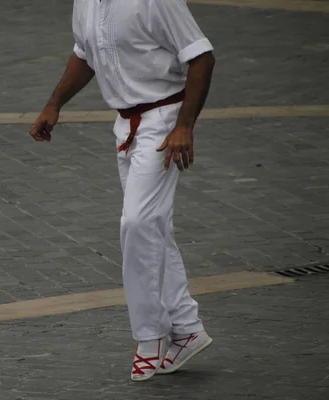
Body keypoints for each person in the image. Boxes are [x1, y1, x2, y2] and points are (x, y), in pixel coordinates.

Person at [29, 0, 216, 382]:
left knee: (137, 223)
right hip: (126, 127)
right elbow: (85, 54)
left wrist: (184, 127)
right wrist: (54, 104)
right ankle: (187, 327)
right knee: (152, 228)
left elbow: (201, 57)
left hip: (163, 124)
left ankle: (150, 336)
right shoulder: (85, 3)